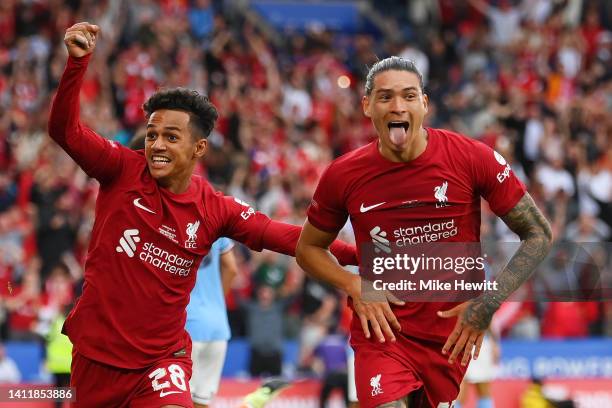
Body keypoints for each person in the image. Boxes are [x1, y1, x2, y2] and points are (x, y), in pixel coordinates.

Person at [50, 22, 357, 407]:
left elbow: (293, 239)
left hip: (162, 361)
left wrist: (361, 257)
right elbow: (66, 131)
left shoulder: (216, 208)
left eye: (171, 137)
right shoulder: (122, 170)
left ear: (198, 148)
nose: (156, 145)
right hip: (97, 357)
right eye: (151, 135)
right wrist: (77, 64)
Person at [296, 56, 552, 407]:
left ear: (425, 104)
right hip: (381, 334)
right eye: (385, 97)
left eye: (408, 96)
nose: (397, 106)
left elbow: (538, 233)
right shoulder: (344, 175)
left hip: (448, 341)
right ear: (367, 106)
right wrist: (352, 283)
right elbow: (307, 248)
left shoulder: (471, 158)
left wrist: (489, 301)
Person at [185, 237, 237, 408]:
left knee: (179, 397)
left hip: (187, 325)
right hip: (217, 325)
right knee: (202, 399)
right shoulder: (219, 230)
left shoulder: (174, 225)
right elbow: (232, 268)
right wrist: (217, 302)